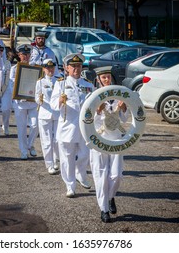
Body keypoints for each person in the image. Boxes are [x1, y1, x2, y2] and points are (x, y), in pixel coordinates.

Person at [50, 53, 93, 198]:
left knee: (85, 154)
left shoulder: (88, 84)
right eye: (73, 66)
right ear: (67, 68)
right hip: (67, 126)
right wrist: (60, 101)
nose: (76, 69)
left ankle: (80, 174)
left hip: (84, 127)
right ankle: (70, 186)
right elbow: (53, 104)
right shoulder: (60, 83)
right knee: (67, 159)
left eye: (79, 66)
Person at [90, 66, 129, 223]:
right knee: (101, 176)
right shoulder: (93, 96)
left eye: (108, 77)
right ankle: (103, 209)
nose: (107, 80)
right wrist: (98, 110)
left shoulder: (118, 94)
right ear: (98, 80)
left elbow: (125, 119)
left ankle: (111, 196)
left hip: (116, 139)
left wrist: (123, 107)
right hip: (100, 139)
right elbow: (87, 120)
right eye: (104, 77)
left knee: (117, 175)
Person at [10, 44, 39, 160]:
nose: (26, 57)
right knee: (21, 128)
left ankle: (30, 145)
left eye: (28, 54)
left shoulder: (35, 67)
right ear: (19, 55)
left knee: (35, 125)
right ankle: (23, 151)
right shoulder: (14, 69)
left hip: (32, 102)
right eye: (23, 54)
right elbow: (12, 85)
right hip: (20, 102)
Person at [35, 58, 60, 174]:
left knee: (57, 140)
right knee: (46, 141)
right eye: (48, 68)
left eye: (52, 67)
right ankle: (49, 164)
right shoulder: (40, 82)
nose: (50, 70)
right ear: (44, 69)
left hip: (57, 114)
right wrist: (40, 101)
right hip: (45, 113)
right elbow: (36, 98)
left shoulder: (59, 81)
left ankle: (55, 161)